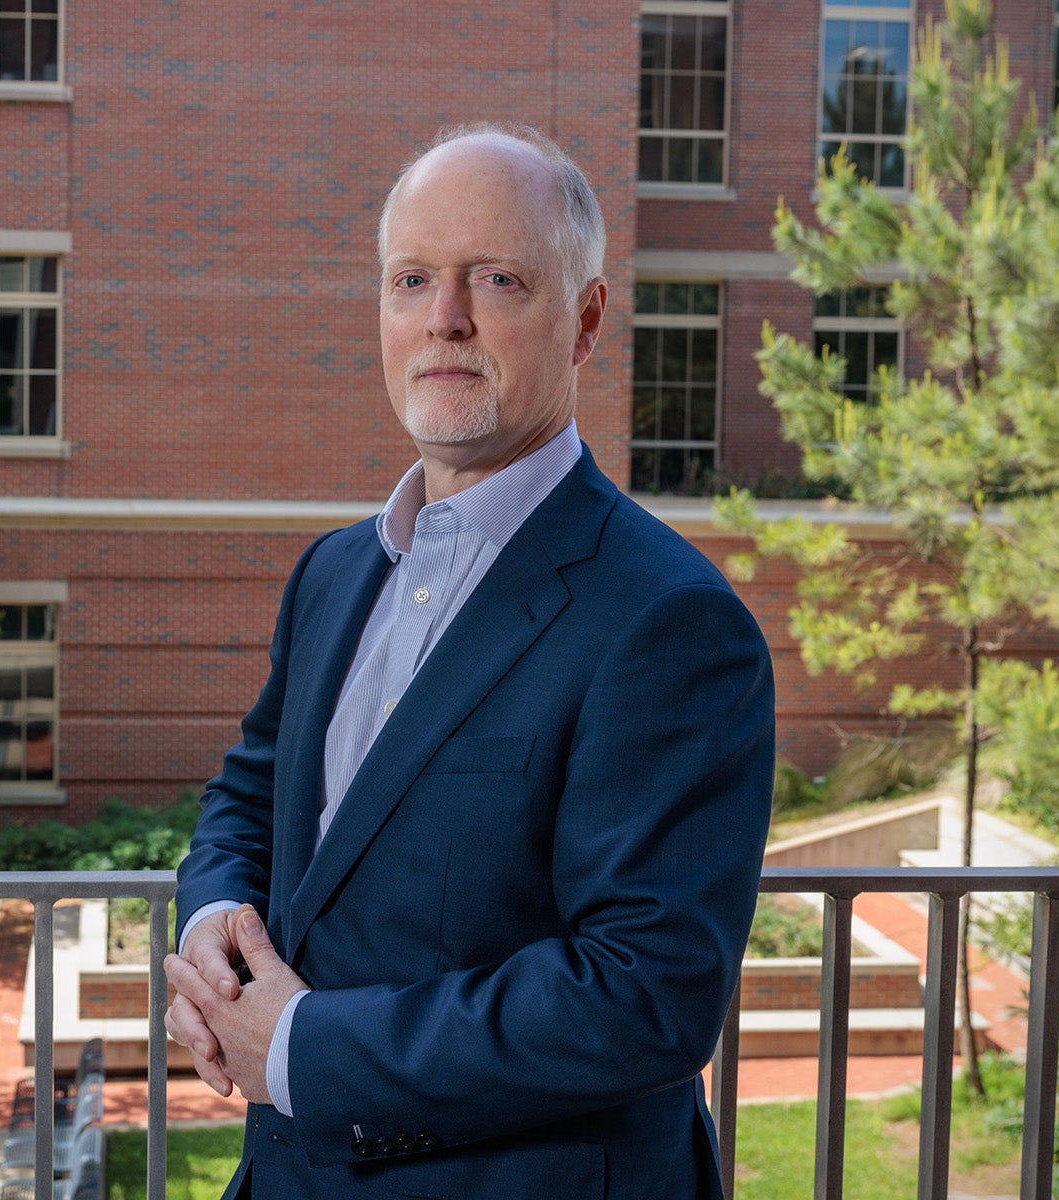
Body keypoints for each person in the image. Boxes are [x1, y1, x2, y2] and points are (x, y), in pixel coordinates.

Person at [164, 122, 775, 1200]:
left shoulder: (670, 619)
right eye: (412, 280)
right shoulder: (334, 574)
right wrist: (217, 928)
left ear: (586, 321)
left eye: (495, 278)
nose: (444, 319)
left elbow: (647, 996)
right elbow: (252, 797)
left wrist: (304, 1047)